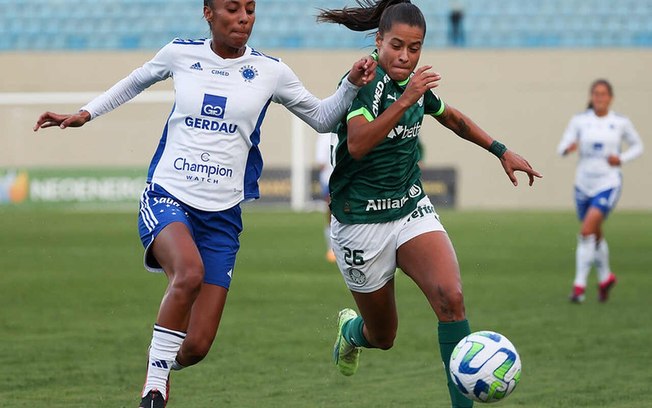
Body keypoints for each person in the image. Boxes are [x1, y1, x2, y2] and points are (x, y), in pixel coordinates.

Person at [33, 1, 376, 407]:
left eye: (250, 9)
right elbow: (135, 81)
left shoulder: (271, 71)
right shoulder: (180, 53)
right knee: (189, 272)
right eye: (232, 9)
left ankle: (159, 358)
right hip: (168, 196)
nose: (244, 18)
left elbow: (322, 117)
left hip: (222, 217)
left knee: (195, 346)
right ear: (208, 13)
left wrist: (351, 84)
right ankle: (154, 390)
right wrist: (85, 113)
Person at [317, 1, 542, 407]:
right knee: (382, 337)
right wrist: (406, 100)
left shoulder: (414, 83)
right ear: (378, 41)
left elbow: (450, 116)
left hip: (409, 209)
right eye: (397, 46)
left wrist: (500, 150)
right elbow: (358, 144)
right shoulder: (365, 80)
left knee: (451, 299)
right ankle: (351, 332)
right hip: (360, 223)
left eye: (415, 48)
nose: (405, 56)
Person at [557, 79, 643, 304]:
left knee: (586, 232)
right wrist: (568, 147)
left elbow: (638, 146)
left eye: (603, 94)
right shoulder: (580, 121)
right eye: (596, 94)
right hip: (583, 185)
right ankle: (605, 278)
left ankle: (579, 287)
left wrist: (621, 158)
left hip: (608, 183)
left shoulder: (620, 122)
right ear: (591, 96)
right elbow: (562, 146)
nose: (599, 98)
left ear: (610, 98)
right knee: (595, 233)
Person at [315, 132, 337, 262]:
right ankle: (332, 248)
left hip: (337, 179)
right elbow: (321, 162)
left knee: (332, 214)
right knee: (331, 213)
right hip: (330, 180)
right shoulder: (324, 137)